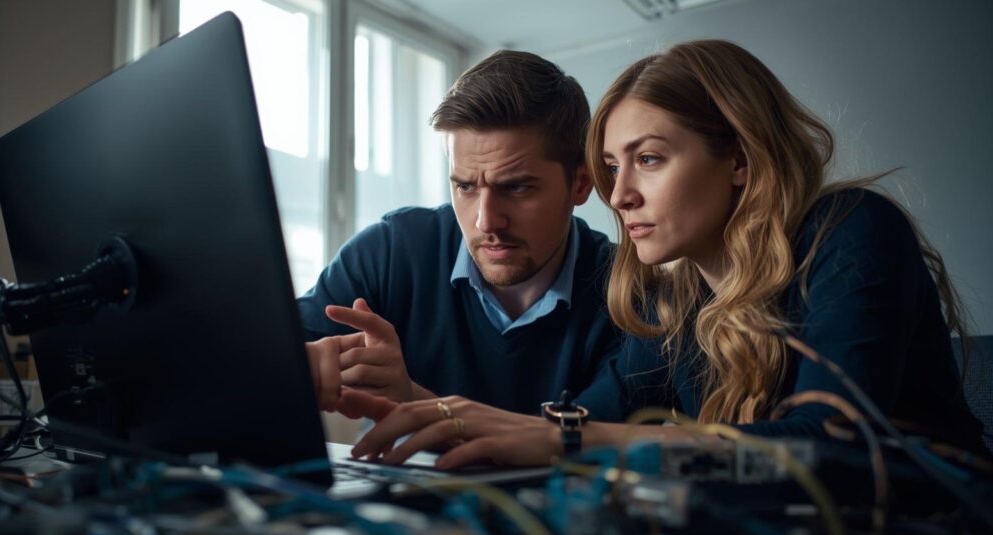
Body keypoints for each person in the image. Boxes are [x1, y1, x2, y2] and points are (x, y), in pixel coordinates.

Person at [335, 39, 986, 468]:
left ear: (738, 156)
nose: (619, 195)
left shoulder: (853, 230)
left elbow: (829, 450)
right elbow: (557, 432)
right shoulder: (677, 299)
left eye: (648, 159)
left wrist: (574, 438)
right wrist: (420, 402)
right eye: (613, 166)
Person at [299, 50, 620, 414]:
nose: (486, 221)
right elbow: (266, 354)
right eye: (465, 187)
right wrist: (297, 364)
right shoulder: (393, 250)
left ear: (580, 185)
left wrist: (412, 399)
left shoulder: (627, 288)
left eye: (516, 188)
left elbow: (582, 445)